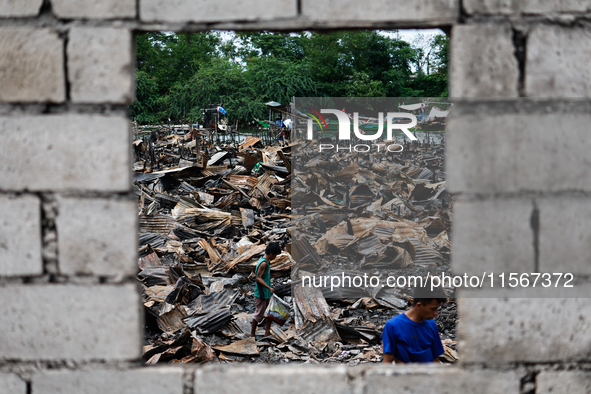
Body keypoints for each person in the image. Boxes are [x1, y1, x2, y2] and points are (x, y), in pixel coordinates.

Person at [382, 285, 447, 364]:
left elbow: (435, 359)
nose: (436, 313)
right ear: (419, 305)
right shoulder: (393, 326)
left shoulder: (431, 324)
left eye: (437, 309)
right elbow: (387, 363)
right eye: (433, 309)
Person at [250, 242, 282, 337]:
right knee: (258, 315)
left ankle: (267, 331)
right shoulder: (263, 263)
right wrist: (268, 287)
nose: (275, 257)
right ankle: (252, 334)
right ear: (271, 253)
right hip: (261, 293)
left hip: (267, 292)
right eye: (275, 255)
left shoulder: (267, 261)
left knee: (269, 313)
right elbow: (258, 278)